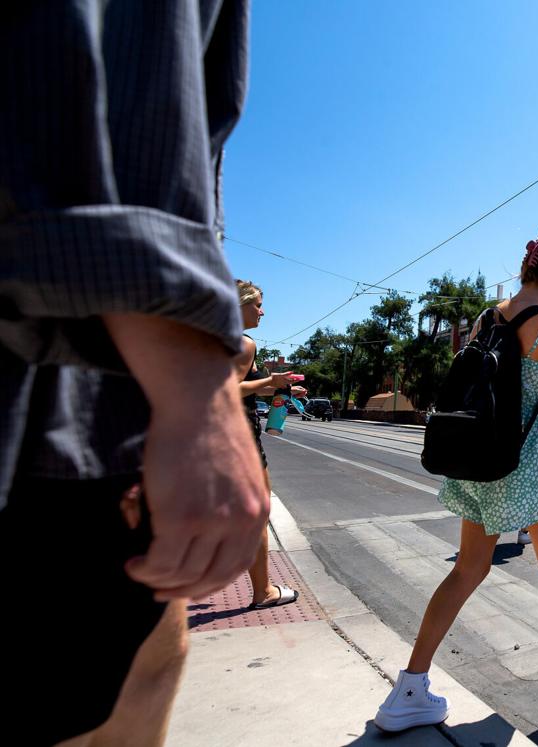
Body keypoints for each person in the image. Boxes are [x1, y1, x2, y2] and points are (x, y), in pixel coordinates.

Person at [0, 4, 268, 745]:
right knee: (116, 689)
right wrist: (194, 381)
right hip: (59, 389)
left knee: (146, 663)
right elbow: (76, 54)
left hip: (92, 391)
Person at [375, 229, 538, 732]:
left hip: (481, 454)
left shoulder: (486, 317)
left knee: (468, 569)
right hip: (527, 461)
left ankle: (411, 685)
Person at [235, 280, 304, 608]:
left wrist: (281, 387)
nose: (262, 311)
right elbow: (225, 389)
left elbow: (244, 385)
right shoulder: (243, 343)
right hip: (241, 439)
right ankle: (263, 592)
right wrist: (269, 381)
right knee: (257, 515)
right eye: (257, 304)